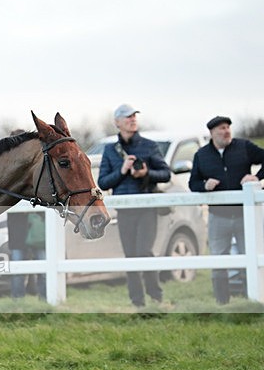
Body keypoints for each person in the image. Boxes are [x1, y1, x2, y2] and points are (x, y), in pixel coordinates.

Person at [98, 104, 171, 307]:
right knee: (130, 255)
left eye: (134, 116)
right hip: (125, 210)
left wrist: (145, 173)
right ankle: (137, 302)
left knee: (144, 252)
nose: (132, 119)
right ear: (117, 122)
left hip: (147, 208)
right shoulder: (110, 150)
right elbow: (103, 182)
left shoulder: (149, 146)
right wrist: (122, 171)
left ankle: (156, 296)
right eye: (127, 116)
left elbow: (166, 174)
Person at [189, 116, 264, 304]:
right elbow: (192, 183)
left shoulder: (244, 147)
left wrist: (256, 177)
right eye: (222, 128)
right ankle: (222, 302)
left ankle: (252, 301)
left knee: (250, 256)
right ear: (212, 133)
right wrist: (205, 185)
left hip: (244, 214)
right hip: (218, 216)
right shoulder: (202, 155)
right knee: (218, 259)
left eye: (228, 127)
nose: (226, 131)